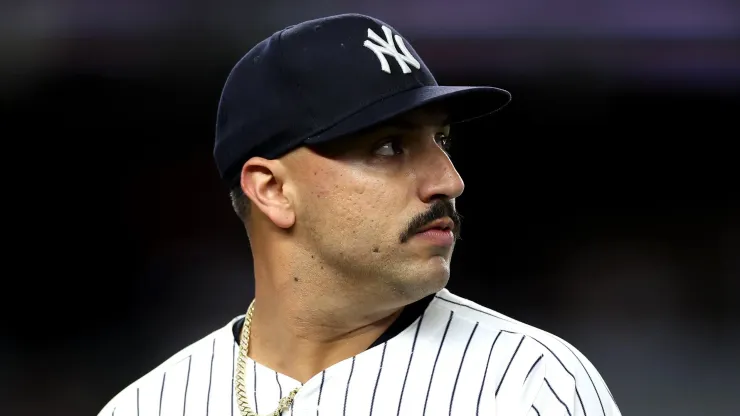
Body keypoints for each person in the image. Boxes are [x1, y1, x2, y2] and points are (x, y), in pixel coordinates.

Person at [97, 13, 622, 416]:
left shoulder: (528, 384)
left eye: (440, 139)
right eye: (390, 147)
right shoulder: (149, 406)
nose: (449, 181)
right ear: (273, 189)